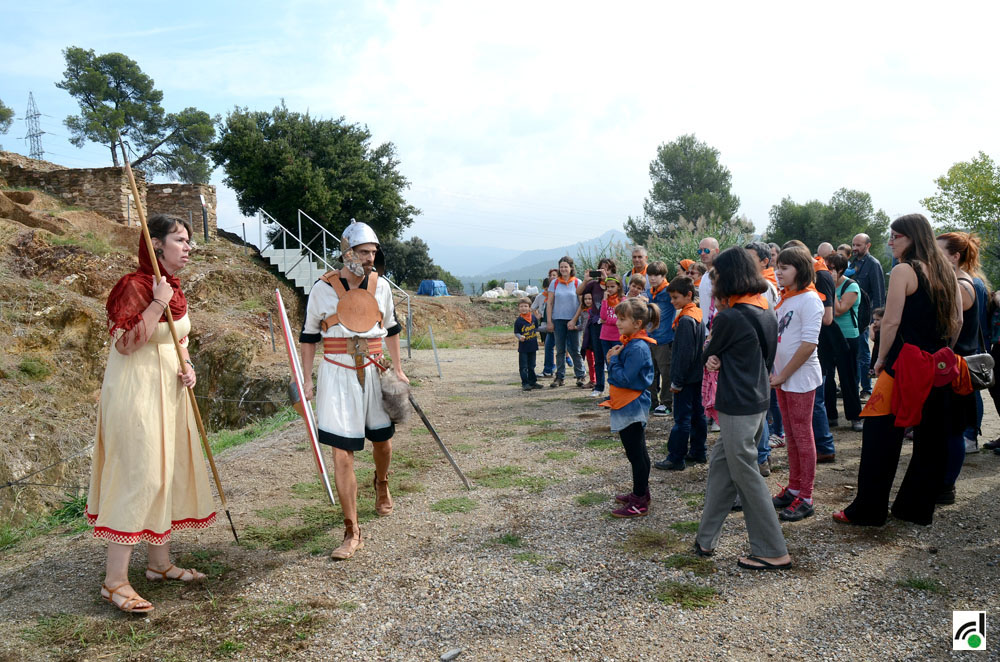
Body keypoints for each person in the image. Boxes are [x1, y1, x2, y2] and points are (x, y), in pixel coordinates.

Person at [87, 214, 214, 614]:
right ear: (156, 244)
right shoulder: (135, 287)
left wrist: (189, 364)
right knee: (140, 474)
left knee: (167, 470)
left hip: (169, 390)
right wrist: (156, 301)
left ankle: (159, 565)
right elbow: (126, 343)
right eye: (180, 240)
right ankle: (115, 582)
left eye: (188, 240)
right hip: (135, 392)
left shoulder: (173, 289)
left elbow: (180, 338)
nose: (188, 246)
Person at [835, 214, 961, 527]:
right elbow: (957, 321)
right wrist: (941, 350)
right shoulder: (948, 271)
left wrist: (880, 359)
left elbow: (890, 322)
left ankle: (869, 510)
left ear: (913, 238)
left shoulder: (904, 270)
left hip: (902, 366)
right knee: (931, 440)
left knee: (879, 438)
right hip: (938, 366)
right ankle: (915, 509)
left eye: (896, 236)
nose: (890, 242)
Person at [300, 220, 409, 559]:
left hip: (375, 370)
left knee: (383, 441)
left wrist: (400, 369)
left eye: (373, 253)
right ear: (346, 252)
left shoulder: (381, 286)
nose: (369, 259)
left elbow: (391, 328)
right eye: (363, 253)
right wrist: (307, 379)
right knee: (340, 451)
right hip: (336, 372)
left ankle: (381, 482)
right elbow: (308, 337)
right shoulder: (322, 288)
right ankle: (352, 530)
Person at [694, 248, 790, 570]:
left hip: (737, 405)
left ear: (728, 277)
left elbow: (707, 350)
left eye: (716, 275)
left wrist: (712, 355)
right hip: (757, 401)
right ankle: (705, 539)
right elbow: (754, 357)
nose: (713, 280)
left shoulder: (730, 316)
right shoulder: (764, 309)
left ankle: (772, 549)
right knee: (722, 469)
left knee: (747, 475)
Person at [770, 246, 824, 521]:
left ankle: (806, 495)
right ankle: (793, 487)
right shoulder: (787, 298)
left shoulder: (809, 299)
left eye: (785, 268)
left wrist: (783, 374)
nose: (778, 272)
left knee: (802, 435)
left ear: (800, 270)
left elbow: (809, 344)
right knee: (791, 434)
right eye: (777, 267)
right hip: (783, 377)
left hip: (799, 378)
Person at [936, 232, 983, 503]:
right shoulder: (963, 282)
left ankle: (946, 487)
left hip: (957, 368)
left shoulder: (962, 286)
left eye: (940, 252)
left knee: (952, 430)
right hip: (955, 365)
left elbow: (953, 328)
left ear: (955, 257)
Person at [602, 297, 658, 517]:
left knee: (636, 454)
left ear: (637, 324)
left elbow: (624, 378)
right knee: (636, 452)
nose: (617, 322)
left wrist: (613, 361)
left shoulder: (637, 347)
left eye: (622, 319)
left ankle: (639, 501)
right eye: (618, 317)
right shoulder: (631, 343)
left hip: (631, 404)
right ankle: (641, 492)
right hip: (627, 403)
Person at [653, 276, 706, 470]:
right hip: (697, 376)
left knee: (682, 418)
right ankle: (699, 450)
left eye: (676, 298)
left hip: (685, 378)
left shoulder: (685, 320)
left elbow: (684, 354)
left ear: (689, 295)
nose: (673, 302)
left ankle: (676, 457)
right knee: (697, 414)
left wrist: (677, 381)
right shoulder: (697, 314)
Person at [745, 241, 779, 474]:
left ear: (765, 261)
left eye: (751, 257)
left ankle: (762, 456)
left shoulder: (764, 286)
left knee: (759, 407)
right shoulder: (753, 283)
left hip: (759, 352)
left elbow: (765, 322)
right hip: (754, 352)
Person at [826, 253, 864, 432]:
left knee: (847, 377)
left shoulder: (852, 286)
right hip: (827, 336)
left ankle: (855, 416)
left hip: (848, 336)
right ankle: (830, 415)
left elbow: (839, 310)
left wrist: (831, 287)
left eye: (831, 268)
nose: (827, 271)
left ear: (840, 269)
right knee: (826, 378)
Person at [851, 233, 886, 398]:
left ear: (868, 246)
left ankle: (866, 389)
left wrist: (876, 322)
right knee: (852, 353)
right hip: (850, 316)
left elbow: (879, 295)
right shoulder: (852, 263)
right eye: (854, 245)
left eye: (859, 245)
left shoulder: (873, 264)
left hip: (864, 319)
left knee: (863, 354)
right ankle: (850, 387)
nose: (855, 248)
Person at [546, 256, 586, 387]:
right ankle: (560, 377)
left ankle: (580, 375)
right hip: (558, 320)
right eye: (561, 267)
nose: (563, 269)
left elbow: (582, 303)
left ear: (571, 268)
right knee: (560, 349)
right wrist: (549, 321)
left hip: (573, 319)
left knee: (575, 349)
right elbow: (550, 303)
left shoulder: (577, 282)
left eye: (565, 267)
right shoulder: (554, 283)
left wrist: (574, 320)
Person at [646, 261, 676, 416]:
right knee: (650, 371)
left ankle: (667, 402)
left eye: (656, 275)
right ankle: (651, 401)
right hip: (650, 337)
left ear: (663, 275)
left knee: (666, 372)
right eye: (650, 275)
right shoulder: (649, 292)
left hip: (665, 338)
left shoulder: (670, 290)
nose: (652, 278)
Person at [514, 297, 543, 392]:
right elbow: (516, 332)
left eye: (525, 306)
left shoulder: (533, 318)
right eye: (521, 306)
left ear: (530, 307)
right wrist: (519, 337)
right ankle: (525, 383)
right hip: (523, 348)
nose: (523, 308)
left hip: (533, 346)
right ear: (518, 308)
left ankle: (532, 382)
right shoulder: (519, 321)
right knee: (523, 367)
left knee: (532, 365)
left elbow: (537, 328)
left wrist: (548, 328)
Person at [599, 277, 624, 371]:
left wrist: (607, 321)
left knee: (617, 362)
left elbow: (620, 320)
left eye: (612, 286)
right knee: (608, 362)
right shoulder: (605, 300)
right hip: (605, 336)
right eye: (607, 287)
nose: (609, 289)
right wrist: (604, 300)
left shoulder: (623, 300)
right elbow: (603, 317)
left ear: (618, 287)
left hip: (617, 337)